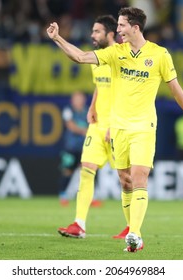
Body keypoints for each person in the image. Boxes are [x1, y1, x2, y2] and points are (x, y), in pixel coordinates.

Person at [47, 7, 183, 253]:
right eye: (117, 26)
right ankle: (128, 228)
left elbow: (175, 88)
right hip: (118, 128)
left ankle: (135, 234)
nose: (117, 30)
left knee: (139, 176)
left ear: (135, 28)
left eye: (121, 26)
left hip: (143, 127)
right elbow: (80, 57)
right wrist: (57, 38)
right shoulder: (115, 53)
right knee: (125, 180)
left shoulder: (160, 55)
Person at [58, 15, 131, 239]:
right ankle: (79, 224)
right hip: (97, 125)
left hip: (117, 126)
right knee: (86, 169)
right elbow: (100, 85)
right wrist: (92, 106)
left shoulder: (122, 56)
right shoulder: (98, 58)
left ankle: (132, 226)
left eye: (97, 31)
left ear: (110, 34)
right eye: (92, 30)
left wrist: (115, 124)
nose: (92, 35)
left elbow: (128, 94)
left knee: (125, 178)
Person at [59, 91, 88, 206]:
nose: (78, 100)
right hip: (70, 147)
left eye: (80, 98)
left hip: (85, 147)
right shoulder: (68, 111)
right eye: (76, 98)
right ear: (72, 100)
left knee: (87, 172)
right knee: (67, 171)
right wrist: (84, 131)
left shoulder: (88, 111)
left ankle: (89, 197)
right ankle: (63, 195)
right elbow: (70, 126)